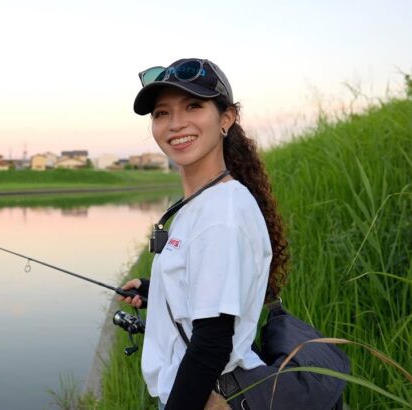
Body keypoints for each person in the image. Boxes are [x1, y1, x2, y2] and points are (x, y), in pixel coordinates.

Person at [119, 58, 289, 410]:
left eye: (193, 106)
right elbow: (214, 295)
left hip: (207, 397)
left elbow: (211, 344)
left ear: (226, 118)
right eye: (162, 113)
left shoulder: (221, 212)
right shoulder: (202, 202)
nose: (176, 124)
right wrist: (157, 291)